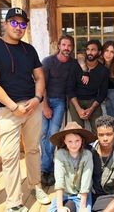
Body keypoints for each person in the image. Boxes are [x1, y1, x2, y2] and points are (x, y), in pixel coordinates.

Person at [0, 7, 50, 212]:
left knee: (33, 149)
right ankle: (13, 202)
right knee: (10, 156)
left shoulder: (29, 50)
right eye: (14, 22)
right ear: (5, 23)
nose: (19, 27)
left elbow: (39, 77)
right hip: (7, 110)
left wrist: (38, 99)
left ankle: (36, 186)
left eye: (22, 24)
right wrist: (13, 106)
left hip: (32, 107)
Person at [40, 35, 75, 186]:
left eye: (69, 45)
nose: (66, 48)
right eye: (64, 45)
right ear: (59, 46)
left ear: (72, 48)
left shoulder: (73, 64)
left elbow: (81, 76)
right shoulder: (48, 62)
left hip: (60, 102)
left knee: (52, 135)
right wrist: (45, 105)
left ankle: (45, 169)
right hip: (45, 101)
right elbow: (40, 84)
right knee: (43, 135)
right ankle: (47, 168)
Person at [48, 122, 97, 212]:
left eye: (77, 141)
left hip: (81, 194)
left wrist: (82, 207)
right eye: (70, 141)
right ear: (64, 141)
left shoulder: (87, 155)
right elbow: (59, 180)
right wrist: (60, 207)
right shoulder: (60, 154)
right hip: (64, 193)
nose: (74, 145)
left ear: (82, 140)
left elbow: (86, 181)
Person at [67, 39, 109, 133]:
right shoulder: (76, 66)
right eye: (88, 49)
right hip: (76, 101)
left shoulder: (103, 71)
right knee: (77, 131)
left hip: (92, 101)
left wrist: (91, 109)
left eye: (93, 50)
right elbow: (70, 89)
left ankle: (95, 148)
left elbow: (103, 93)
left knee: (99, 130)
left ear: (99, 52)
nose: (90, 52)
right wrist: (78, 109)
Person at [91, 115, 114, 212]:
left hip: (108, 197)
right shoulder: (88, 151)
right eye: (101, 135)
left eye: (109, 134)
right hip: (87, 196)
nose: (105, 138)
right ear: (97, 134)